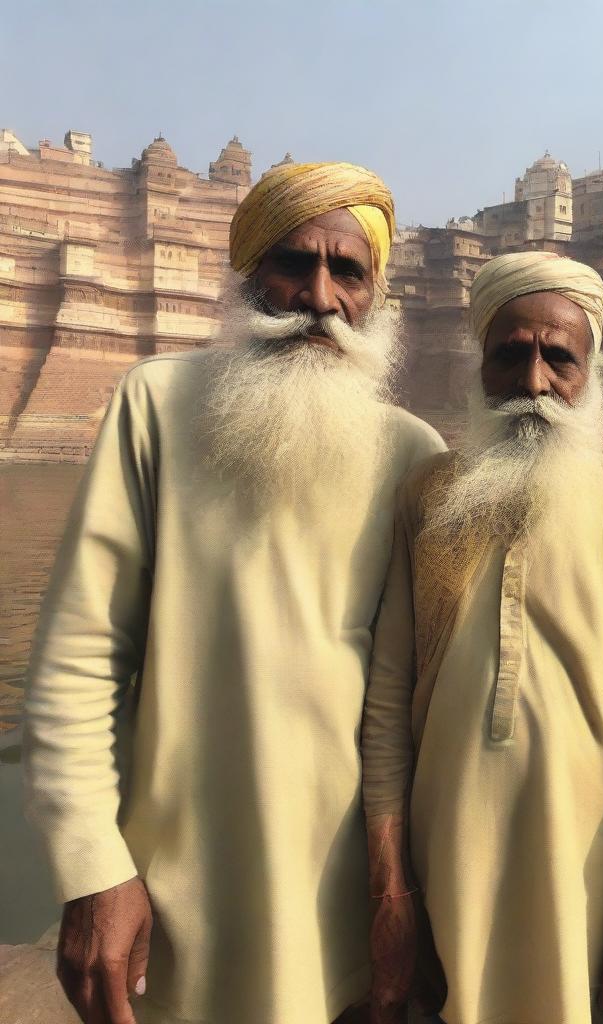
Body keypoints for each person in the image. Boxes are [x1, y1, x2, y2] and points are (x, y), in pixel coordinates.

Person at [23, 161, 445, 1024]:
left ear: (376, 299)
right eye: (293, 263)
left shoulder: (411, 452)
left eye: (348, 271)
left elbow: (406, 705)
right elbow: (79, 660)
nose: (318, 295)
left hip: (343, 898)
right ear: (250, 274)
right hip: (177, 895)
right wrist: (92, 865)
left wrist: (400, 891)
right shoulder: (157, 405)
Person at [361, 251, 603, 1024]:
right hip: (447, 852)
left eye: (559, 358)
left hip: (583, 859)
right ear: (480, 366)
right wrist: (390, 883)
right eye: (511, 354)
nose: (534, 381)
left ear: (590, 372)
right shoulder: (428, 494)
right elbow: (389, 701)